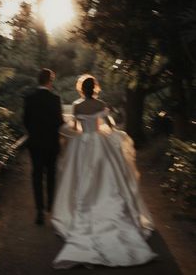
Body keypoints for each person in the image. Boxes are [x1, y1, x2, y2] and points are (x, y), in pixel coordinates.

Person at [51, 74, 157, 269]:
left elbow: (75, 127)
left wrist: (72, 131)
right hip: (101, 144)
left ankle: (84, 213)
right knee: (109, 179)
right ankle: (111, 213)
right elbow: (108, 126)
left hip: (83, 145)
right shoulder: (101, 104)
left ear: (82, 89)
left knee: (81, 180)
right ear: (95, 88)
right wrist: (114, 136)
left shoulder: (77, 106)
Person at [23, 68, 63, 225]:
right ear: (49, 81)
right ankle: (50, 207)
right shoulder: (55, 99)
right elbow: (59, 122)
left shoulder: (29, 98)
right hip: (52, 143)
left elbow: (25, 120)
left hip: (35, 143)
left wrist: (34, 132)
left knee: (37, 176)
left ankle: (39, 211)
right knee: (51, 175)